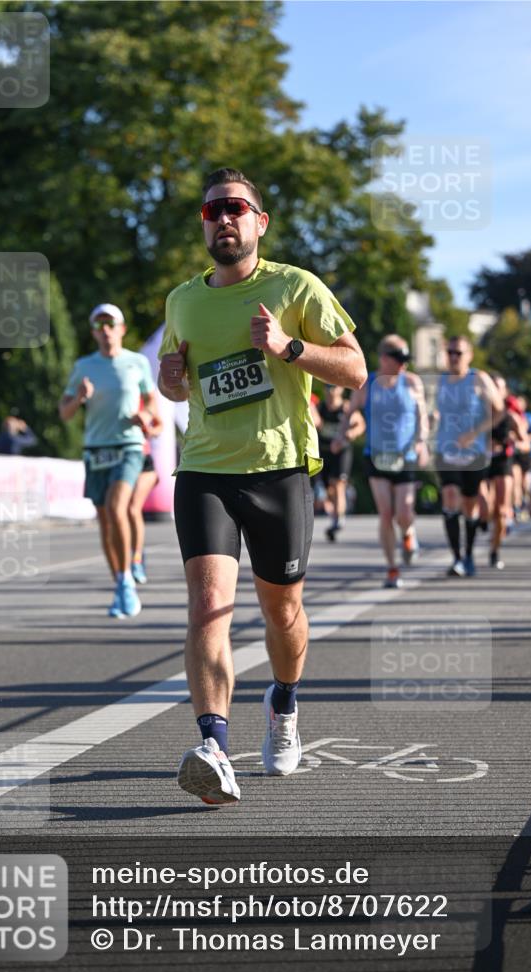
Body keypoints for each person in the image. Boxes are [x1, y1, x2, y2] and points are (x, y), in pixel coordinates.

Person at [158, 167, 366, 805]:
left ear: (259, 222)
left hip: (278, 471)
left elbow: (355, 370)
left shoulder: (295, 286)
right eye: (212, 210)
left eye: (236, 208)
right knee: (207, 606)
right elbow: (175, 385)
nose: (224, 218)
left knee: (281, 612)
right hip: (205, 471)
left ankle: (284, 702)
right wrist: (171, 379)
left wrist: (289, 347)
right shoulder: (182, 300)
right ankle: (214, 745)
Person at [59, 303, 160, 618]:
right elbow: (64, 412)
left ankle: (131, 570)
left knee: (120, 508)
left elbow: (154, 409)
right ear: (93, 332)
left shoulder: (137, 363)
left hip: (129, 446)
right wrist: (79, 398)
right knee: (104, 520)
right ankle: (120, 581)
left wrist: (145, 417)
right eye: (99, 325)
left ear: (121, 329)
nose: (105, 331)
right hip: (96, 448)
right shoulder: (83, 366)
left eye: (110, 324)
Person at [343, 335, 428, 588]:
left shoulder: (412, 382)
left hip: (406, 455)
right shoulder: (367, 384)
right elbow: (351, 412)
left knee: (403, 512)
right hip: (376, 456)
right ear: (383, 359)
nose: (404, 364)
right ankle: (392, 569)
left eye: (406, 359)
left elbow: (421, 416)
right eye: (399, 359)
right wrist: (341, 436)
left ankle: (409, 534)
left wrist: (422, 441)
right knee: (386, 513)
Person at [434, 336, 502, 577]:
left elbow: (499, 411)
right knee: (450, 496)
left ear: (469, 355)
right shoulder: (440, 380)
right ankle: (456, 558)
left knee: (470, 505)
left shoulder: (479, 379)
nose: (453, 357)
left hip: (474, 452)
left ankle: (470, 554)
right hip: (446, 449)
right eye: (450, 352)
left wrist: (476, 433)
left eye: (458, 353)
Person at [486, 376, 530, 569]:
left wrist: (512, 442)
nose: (495, 390)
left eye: (499, 387)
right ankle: (482, 523)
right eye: (492, 387)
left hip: (503, 462)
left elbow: (526, 443)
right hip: (482, 463)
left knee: (502, 511)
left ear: (504, 393)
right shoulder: (479, 411)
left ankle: (494, 550)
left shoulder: (511, 416)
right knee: (486, 506)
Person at [315, 384, 363, 542]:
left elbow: (360, 424)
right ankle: (335, 514)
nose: (331, 390)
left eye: (334, 387)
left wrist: (351, 433)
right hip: (325, 451)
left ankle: (338, 520)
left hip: (342, 452)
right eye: (328, 387)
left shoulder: (346, 407)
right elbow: (314, 421)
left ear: (341, 389)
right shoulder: (320, 407)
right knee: (329, 488)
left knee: (338, 484)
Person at [128, 400, 163, 584]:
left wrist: (151, 431)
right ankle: (135, 550)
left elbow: (159, 424)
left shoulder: (142, 398)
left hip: (144, 462)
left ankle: (137, 560)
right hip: (122, 458)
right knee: (121, 512)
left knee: (133, 508)